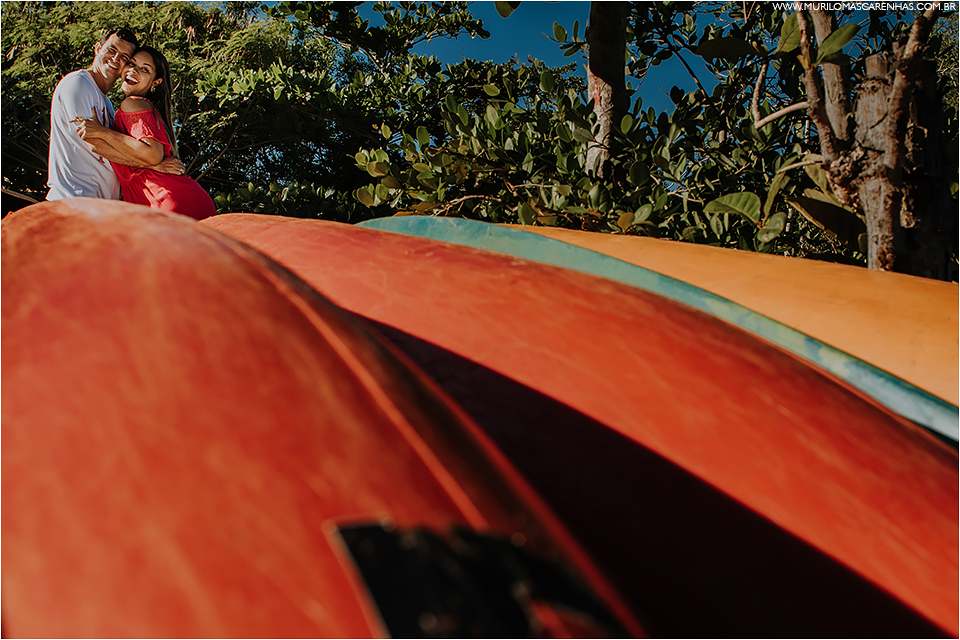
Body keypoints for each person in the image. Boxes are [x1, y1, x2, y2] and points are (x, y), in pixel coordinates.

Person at [73, 46, 215, 221]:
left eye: (144, 69)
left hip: (162, 196)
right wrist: (154, 165)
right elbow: (107, 150)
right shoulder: (140, 108)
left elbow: (152, 153)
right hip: (164, 195)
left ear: (155, 82)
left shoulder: (132, 103)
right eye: (132, 63)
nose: (133, 70)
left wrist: (103, 132)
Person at [46, 28, 181, 201]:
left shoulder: (109, 105)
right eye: (111, 50)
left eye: (125, 57)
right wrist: (155, 165)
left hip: (103, 205)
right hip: (76, 197)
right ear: (97, 48)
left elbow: (114, 149)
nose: (116, 59)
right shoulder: (78, 83)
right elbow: (95, 143)